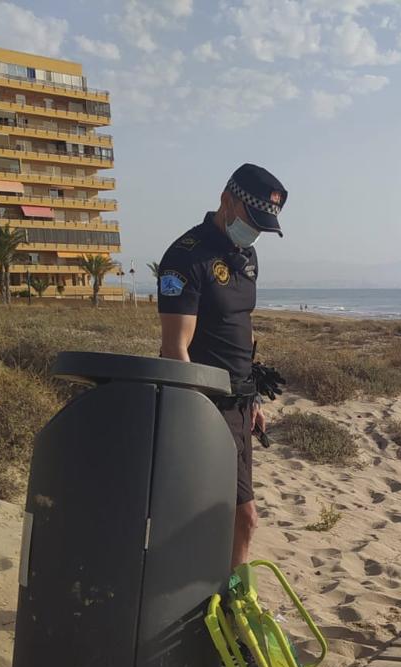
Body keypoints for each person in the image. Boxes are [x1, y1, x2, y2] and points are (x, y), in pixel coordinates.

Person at [157, 163, 288, 569]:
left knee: (230, 514)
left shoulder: (246, 256)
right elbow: (175, 349)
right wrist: (197, 417)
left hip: (240, 404)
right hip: (206, 405)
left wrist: (253, 399)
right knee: (242, 516)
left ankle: (224, 593)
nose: (255, 234)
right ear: (226, 200)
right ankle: (234, 599)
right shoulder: (185, 257)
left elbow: (240, 327)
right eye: (252, 221)